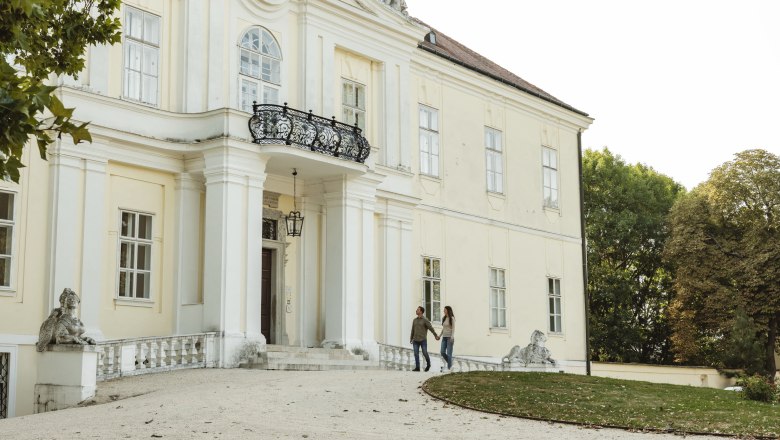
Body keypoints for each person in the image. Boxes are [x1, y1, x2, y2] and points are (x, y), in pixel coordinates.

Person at [409, 306, 439, 371]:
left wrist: (435, 335)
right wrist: (411, 338)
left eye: (418, 310)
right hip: (415, 340)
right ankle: (417, 367)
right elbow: (412, 330)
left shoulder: (425, 320)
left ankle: (428, 364)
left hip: (423, 340)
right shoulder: (414, 320)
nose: (416, 310)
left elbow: (431, 328)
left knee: (424, 352)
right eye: (416, 309)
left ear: (421, 311)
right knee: (416, 353)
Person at [439, 305, 455, 371]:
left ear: (448, 310)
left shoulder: (452, 318)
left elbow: (453, 328)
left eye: (445, 310)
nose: (444, 311)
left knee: (449, 354)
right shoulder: (444, 318)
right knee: (442, 352)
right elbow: (443, 329)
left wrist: (452, 336)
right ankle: (450, 364)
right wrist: (439, 336)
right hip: (444, 337)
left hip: (449, 338)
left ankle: (449, 368)